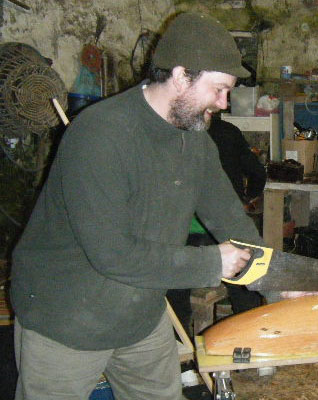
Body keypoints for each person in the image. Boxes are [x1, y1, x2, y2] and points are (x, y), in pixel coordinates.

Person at [10, 13, 265, 400]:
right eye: (218, 89)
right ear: (181, 76)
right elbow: (113, 254)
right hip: (67, 319)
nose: (223, 102)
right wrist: (213, 263)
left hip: (140, 315)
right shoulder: (101, 135)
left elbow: (227, 214)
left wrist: (273, 276)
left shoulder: (193, 138)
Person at [167, 117, 267, 334]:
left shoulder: (174, 135)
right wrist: (248, 198)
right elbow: (258, 172)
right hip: (221, 229)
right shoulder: (229, 132)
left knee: (176, 292)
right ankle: (253, 336)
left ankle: (181, 342)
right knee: (246, 286)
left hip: (185, 235)